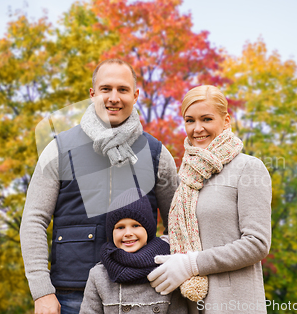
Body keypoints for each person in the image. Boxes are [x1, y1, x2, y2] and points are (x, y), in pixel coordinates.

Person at [20, 59, 179, 314]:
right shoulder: (59, 149)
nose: (113, 98)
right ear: (92, 94)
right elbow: (33, 220)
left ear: (135, 95)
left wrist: (163, 263)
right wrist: (42, 292)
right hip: (72, 296)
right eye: (106, 89)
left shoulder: (157, 153)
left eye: (123, 90)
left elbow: (181, 224)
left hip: (142, 294)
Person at [147, 85, 272, 313]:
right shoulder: (185, 176)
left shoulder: (249, 168)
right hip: (189, 304)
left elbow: (257, 243)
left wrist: (192, 264)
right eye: (190, 120)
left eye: (206, 119)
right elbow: (178, 234)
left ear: (225, 121)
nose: (197, 129)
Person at [79, 188, 187, 314]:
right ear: (111, 233)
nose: (128, 233)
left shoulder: (167, 269)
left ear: (148, 230)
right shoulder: (99, 275)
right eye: (120, 227)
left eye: (136, 225)